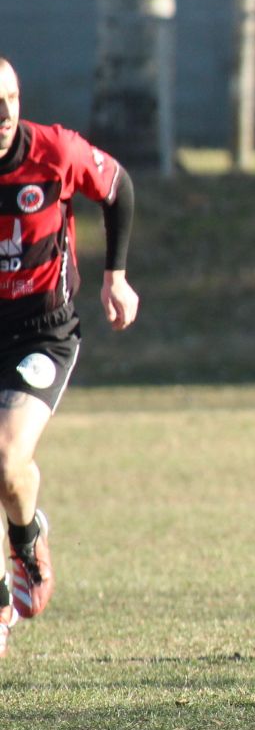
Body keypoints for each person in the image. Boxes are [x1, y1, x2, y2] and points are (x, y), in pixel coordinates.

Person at [0, 59, 139, 657]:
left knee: (6, 460)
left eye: (10, 98)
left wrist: (117, 275)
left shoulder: (54, 151)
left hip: (42, 333)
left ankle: (27, 539)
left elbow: (118, 187)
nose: (4, 114)